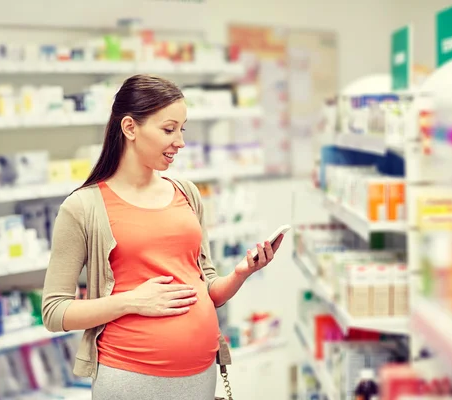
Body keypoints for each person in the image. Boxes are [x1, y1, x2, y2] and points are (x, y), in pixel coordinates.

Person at [41, 74, 284, 400]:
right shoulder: (83, 207)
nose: (180, 141)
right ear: (130, 128)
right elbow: (54, 312)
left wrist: (241, 273)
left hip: (200, 374)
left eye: (182, 129)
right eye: (169, 129)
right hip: (130, 378)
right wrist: (132, 302)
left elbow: (207, 287)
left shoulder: (186, 193)